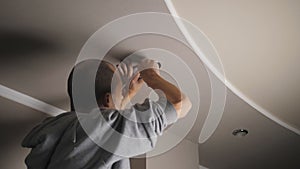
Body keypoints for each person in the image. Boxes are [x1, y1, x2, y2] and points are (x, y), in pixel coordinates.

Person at [22, 58, 192, 169]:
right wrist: (151, 74)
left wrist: (125, 96)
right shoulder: (99, 130)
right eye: (118, 94)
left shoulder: (58, 131)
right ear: (107, 99)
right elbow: (180, 103)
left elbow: (105, 129)